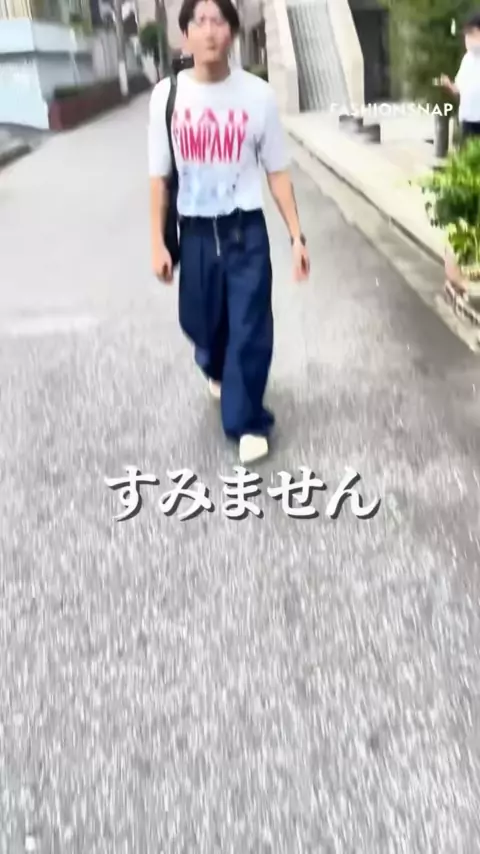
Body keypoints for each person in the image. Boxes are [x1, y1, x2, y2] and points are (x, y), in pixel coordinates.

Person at [148, 0, 310, 465]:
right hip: (196, 232)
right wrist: (157, 242)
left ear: (233, 32)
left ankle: (246, 421)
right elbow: (159, 177)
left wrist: (296, 236)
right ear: (185, 34)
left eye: (218, 21)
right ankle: (214, 365)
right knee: (201, 322)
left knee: (250, 327)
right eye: (199, 21)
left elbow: (277, 170)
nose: (209, 31)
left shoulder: (257, 96)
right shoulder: (167, 96)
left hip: (245, 232)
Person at [437, 11, 480, 144]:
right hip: (468, 119)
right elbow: (458, 89)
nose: (468, 39)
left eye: (472, 34)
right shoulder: (467, 60)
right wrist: (448, 84)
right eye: (466, 35)